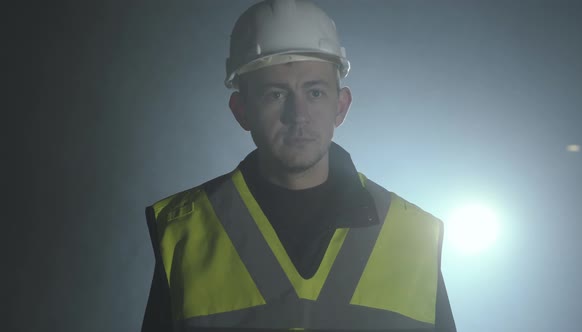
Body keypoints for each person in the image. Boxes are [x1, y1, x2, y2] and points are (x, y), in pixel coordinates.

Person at [141, 0, 456, 331]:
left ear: (341, 106)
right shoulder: (184, 231)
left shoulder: (414, 236)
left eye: (315, 93)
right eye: (275, 95)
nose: (298, 116)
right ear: (241, 110)